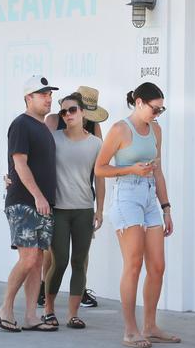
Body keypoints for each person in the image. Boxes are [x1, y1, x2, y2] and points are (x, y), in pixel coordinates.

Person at [95, 82, 178, 348]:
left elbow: (159, 170)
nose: (157, 114)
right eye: (155, 109)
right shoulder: (120, 129)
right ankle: (130, 330)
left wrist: (166, 207)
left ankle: (150, 325)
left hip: (150, 196)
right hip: (126, 196)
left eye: (161, 110)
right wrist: (131, 170)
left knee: (157, 266)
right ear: (139, 102)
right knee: (133, 264)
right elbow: (100, 168)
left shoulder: (156, 129)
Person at [0, 75, 59, 333]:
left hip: (42, 204)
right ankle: (5, 308)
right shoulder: (21, 124)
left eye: (49, 94)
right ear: (28, 98)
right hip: (24, 201)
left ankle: (32, 315)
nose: (48, 98)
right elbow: (19, 162)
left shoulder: (44, 127)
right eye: (42, 94)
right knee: (29, 256)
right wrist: (38, 196)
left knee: (38, 258)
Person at [40, 85, 109, 309]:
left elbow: (99, 176)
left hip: (84, 208)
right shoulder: (53, 135)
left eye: (72, 110)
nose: (67, 114)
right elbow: (32, 158)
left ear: (84, 113)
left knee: (79, 262)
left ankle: (73, 313)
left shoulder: (96, 141)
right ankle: (47, 306)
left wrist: (99, 210)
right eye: (64, 111)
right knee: (58, 261)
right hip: (58, 208)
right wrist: (12, 175)